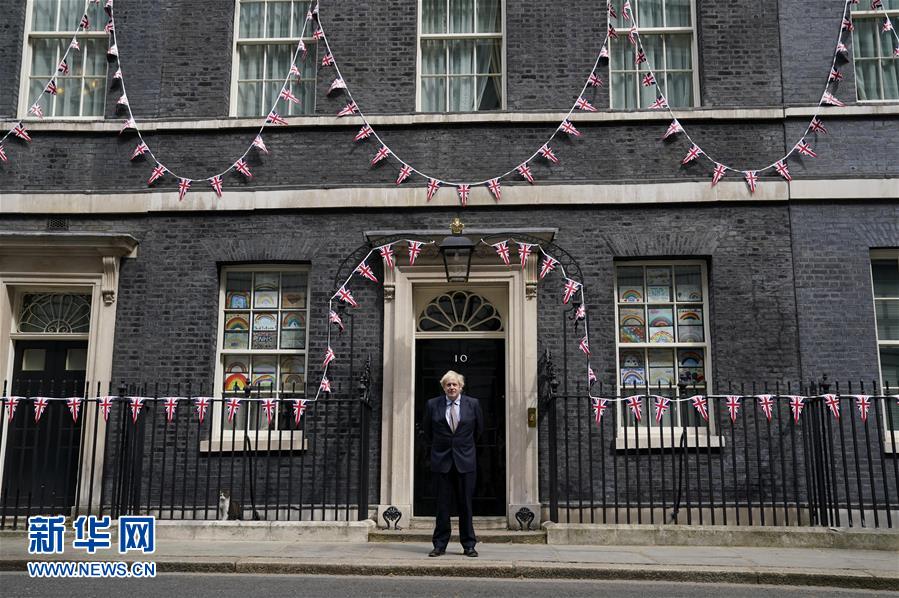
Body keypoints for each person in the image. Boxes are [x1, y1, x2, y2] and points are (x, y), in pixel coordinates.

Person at [421, 370, 484, 557]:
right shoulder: (433, 405)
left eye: (454, 384)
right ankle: (440, 545)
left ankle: (469, 545)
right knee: (442, 505)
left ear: (461, 387)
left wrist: (465, 449)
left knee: (466, 504)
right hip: (441, 461)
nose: (451, 387)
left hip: (465, 461)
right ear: (443, 387)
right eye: (448, 384)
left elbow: (479, 431)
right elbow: (427, 431)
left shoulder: (473, 404)